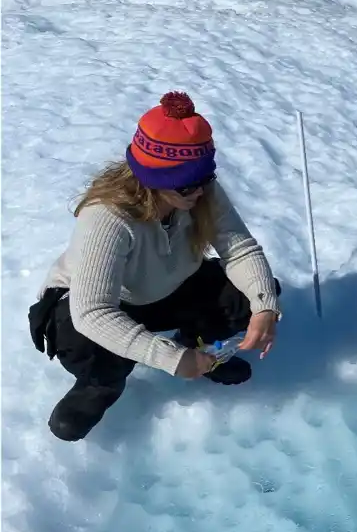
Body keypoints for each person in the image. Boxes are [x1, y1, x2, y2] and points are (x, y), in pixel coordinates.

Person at [29, 92, 282, 442]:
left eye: (205, 178)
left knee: (248, 295)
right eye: (186, 183)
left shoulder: (202, 191)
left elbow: (239, 249)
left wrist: (264, 306)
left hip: (167, 286)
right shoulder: (108, 216)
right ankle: (100, 385)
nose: (198, 191)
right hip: (94, 303)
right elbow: (91, 311)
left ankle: (204, 348)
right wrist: (171, 359)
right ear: (153, 178)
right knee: (85, 341)